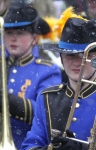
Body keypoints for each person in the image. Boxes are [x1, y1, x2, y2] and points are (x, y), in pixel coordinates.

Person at [21, 7, 96, 150]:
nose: (76, 62)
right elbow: (30, 145)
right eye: (70, 56)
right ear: (61, 57)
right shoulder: (47, 98)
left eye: (84, 56)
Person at [0, 5, 62, 149]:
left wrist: (6, 101)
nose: (13, 38)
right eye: (9, 33)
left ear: (34, 38)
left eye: (20, 33)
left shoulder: (47, 71)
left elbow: (45, 113)